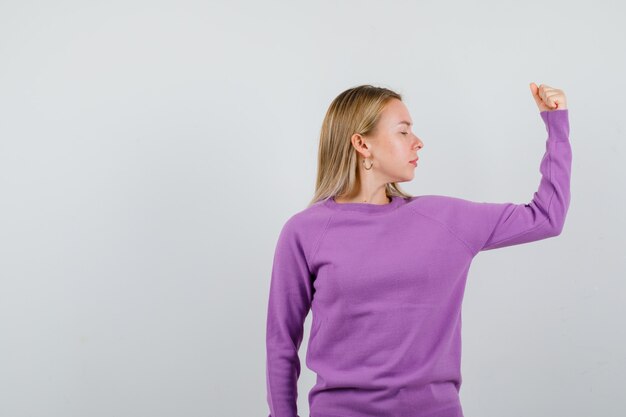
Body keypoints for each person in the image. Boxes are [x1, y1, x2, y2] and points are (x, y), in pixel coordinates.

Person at [265, 83, 571, 417]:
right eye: (403, 131)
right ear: (362, 143)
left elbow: (546, 217)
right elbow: (281, 343)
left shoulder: (446, 220)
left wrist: (556, 125)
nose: (418, 141)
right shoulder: (305, 232)